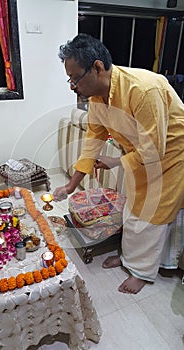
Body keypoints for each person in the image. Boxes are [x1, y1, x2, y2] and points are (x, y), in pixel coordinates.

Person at [53, 33, 184, 294]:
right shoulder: (97, 99)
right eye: (69, 79)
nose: (71, 86)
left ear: (97, 68)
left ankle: (143, 273)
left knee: (151, 216)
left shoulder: (143, 89)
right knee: (131, 210)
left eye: (75, 78)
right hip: (141, 157)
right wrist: (71, 185)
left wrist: (115, 161)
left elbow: (154, 149)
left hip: (170, 156)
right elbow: (92, 141)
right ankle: (129, 260)